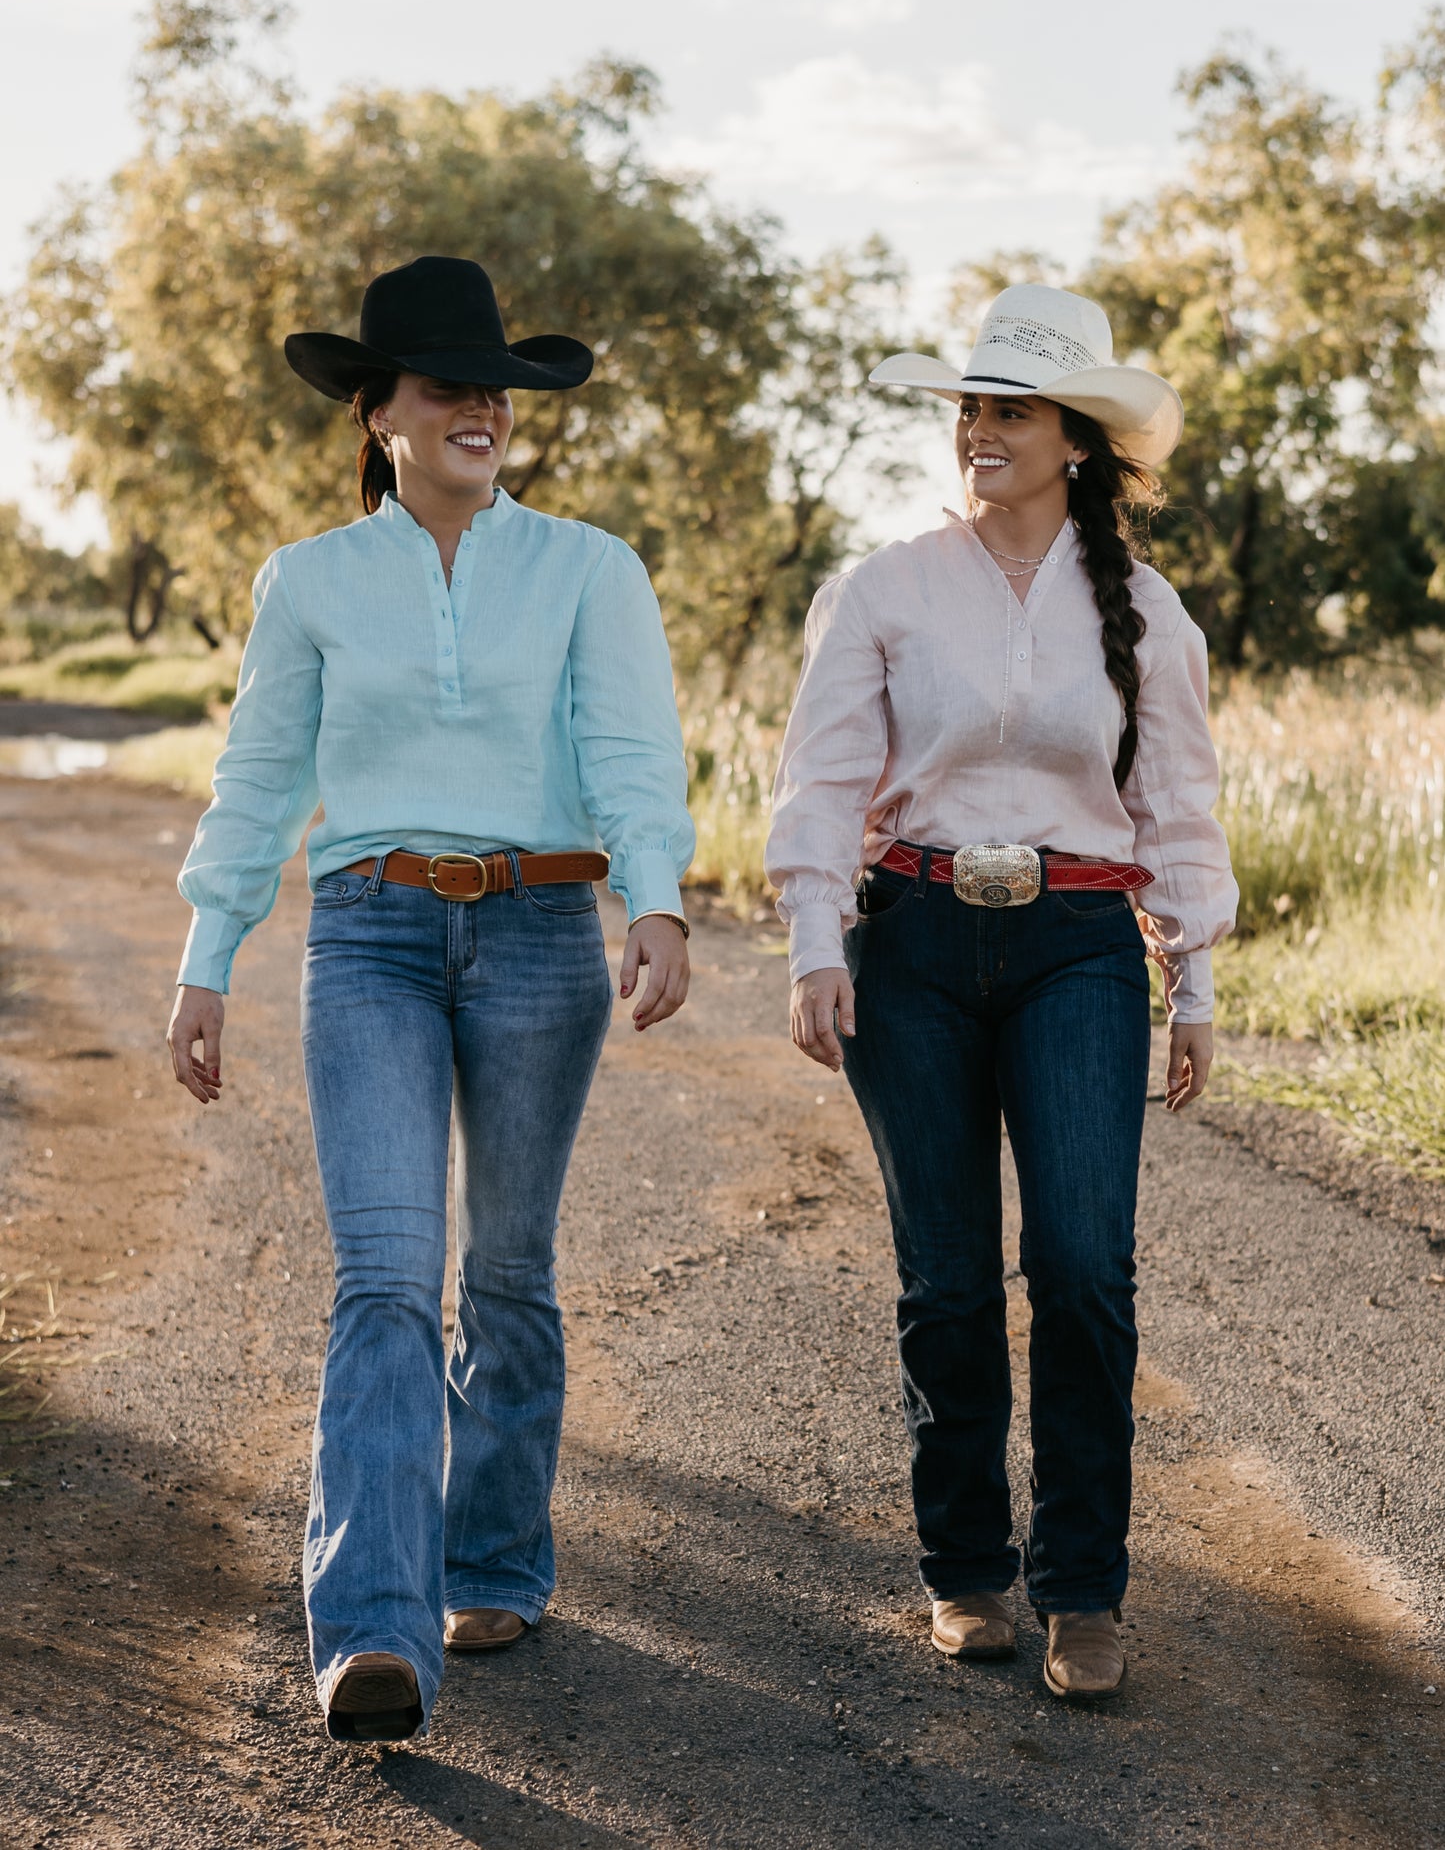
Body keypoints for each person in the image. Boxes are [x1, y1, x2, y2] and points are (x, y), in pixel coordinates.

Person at [166, 256, 694, 1742]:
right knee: (385, 1281)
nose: (479, 408)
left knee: (508, 1276)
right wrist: (206, 959)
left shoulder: (590, 568)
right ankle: (372, 1634)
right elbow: (261, 778)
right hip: (370, 938)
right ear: (378, 411)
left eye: (495, 390)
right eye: (446, 386)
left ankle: (494, 1556)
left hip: (539, 936)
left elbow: (633, 751)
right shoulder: (310, 581)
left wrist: (654, 896)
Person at [765, 284, 1236, 1701]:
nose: (978, 429)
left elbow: (1177, 803)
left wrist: (1192, 975)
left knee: (1083, 1267)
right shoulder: (883, 588)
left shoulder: (1143, 613)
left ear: (1075, 441)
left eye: (1008, 409)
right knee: (948, 1275)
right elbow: (822, 780)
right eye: (967, 406)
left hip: (1079, 945)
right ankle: (968, 1573)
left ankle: (1082, 1587)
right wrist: (810, 943)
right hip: (908, 937)